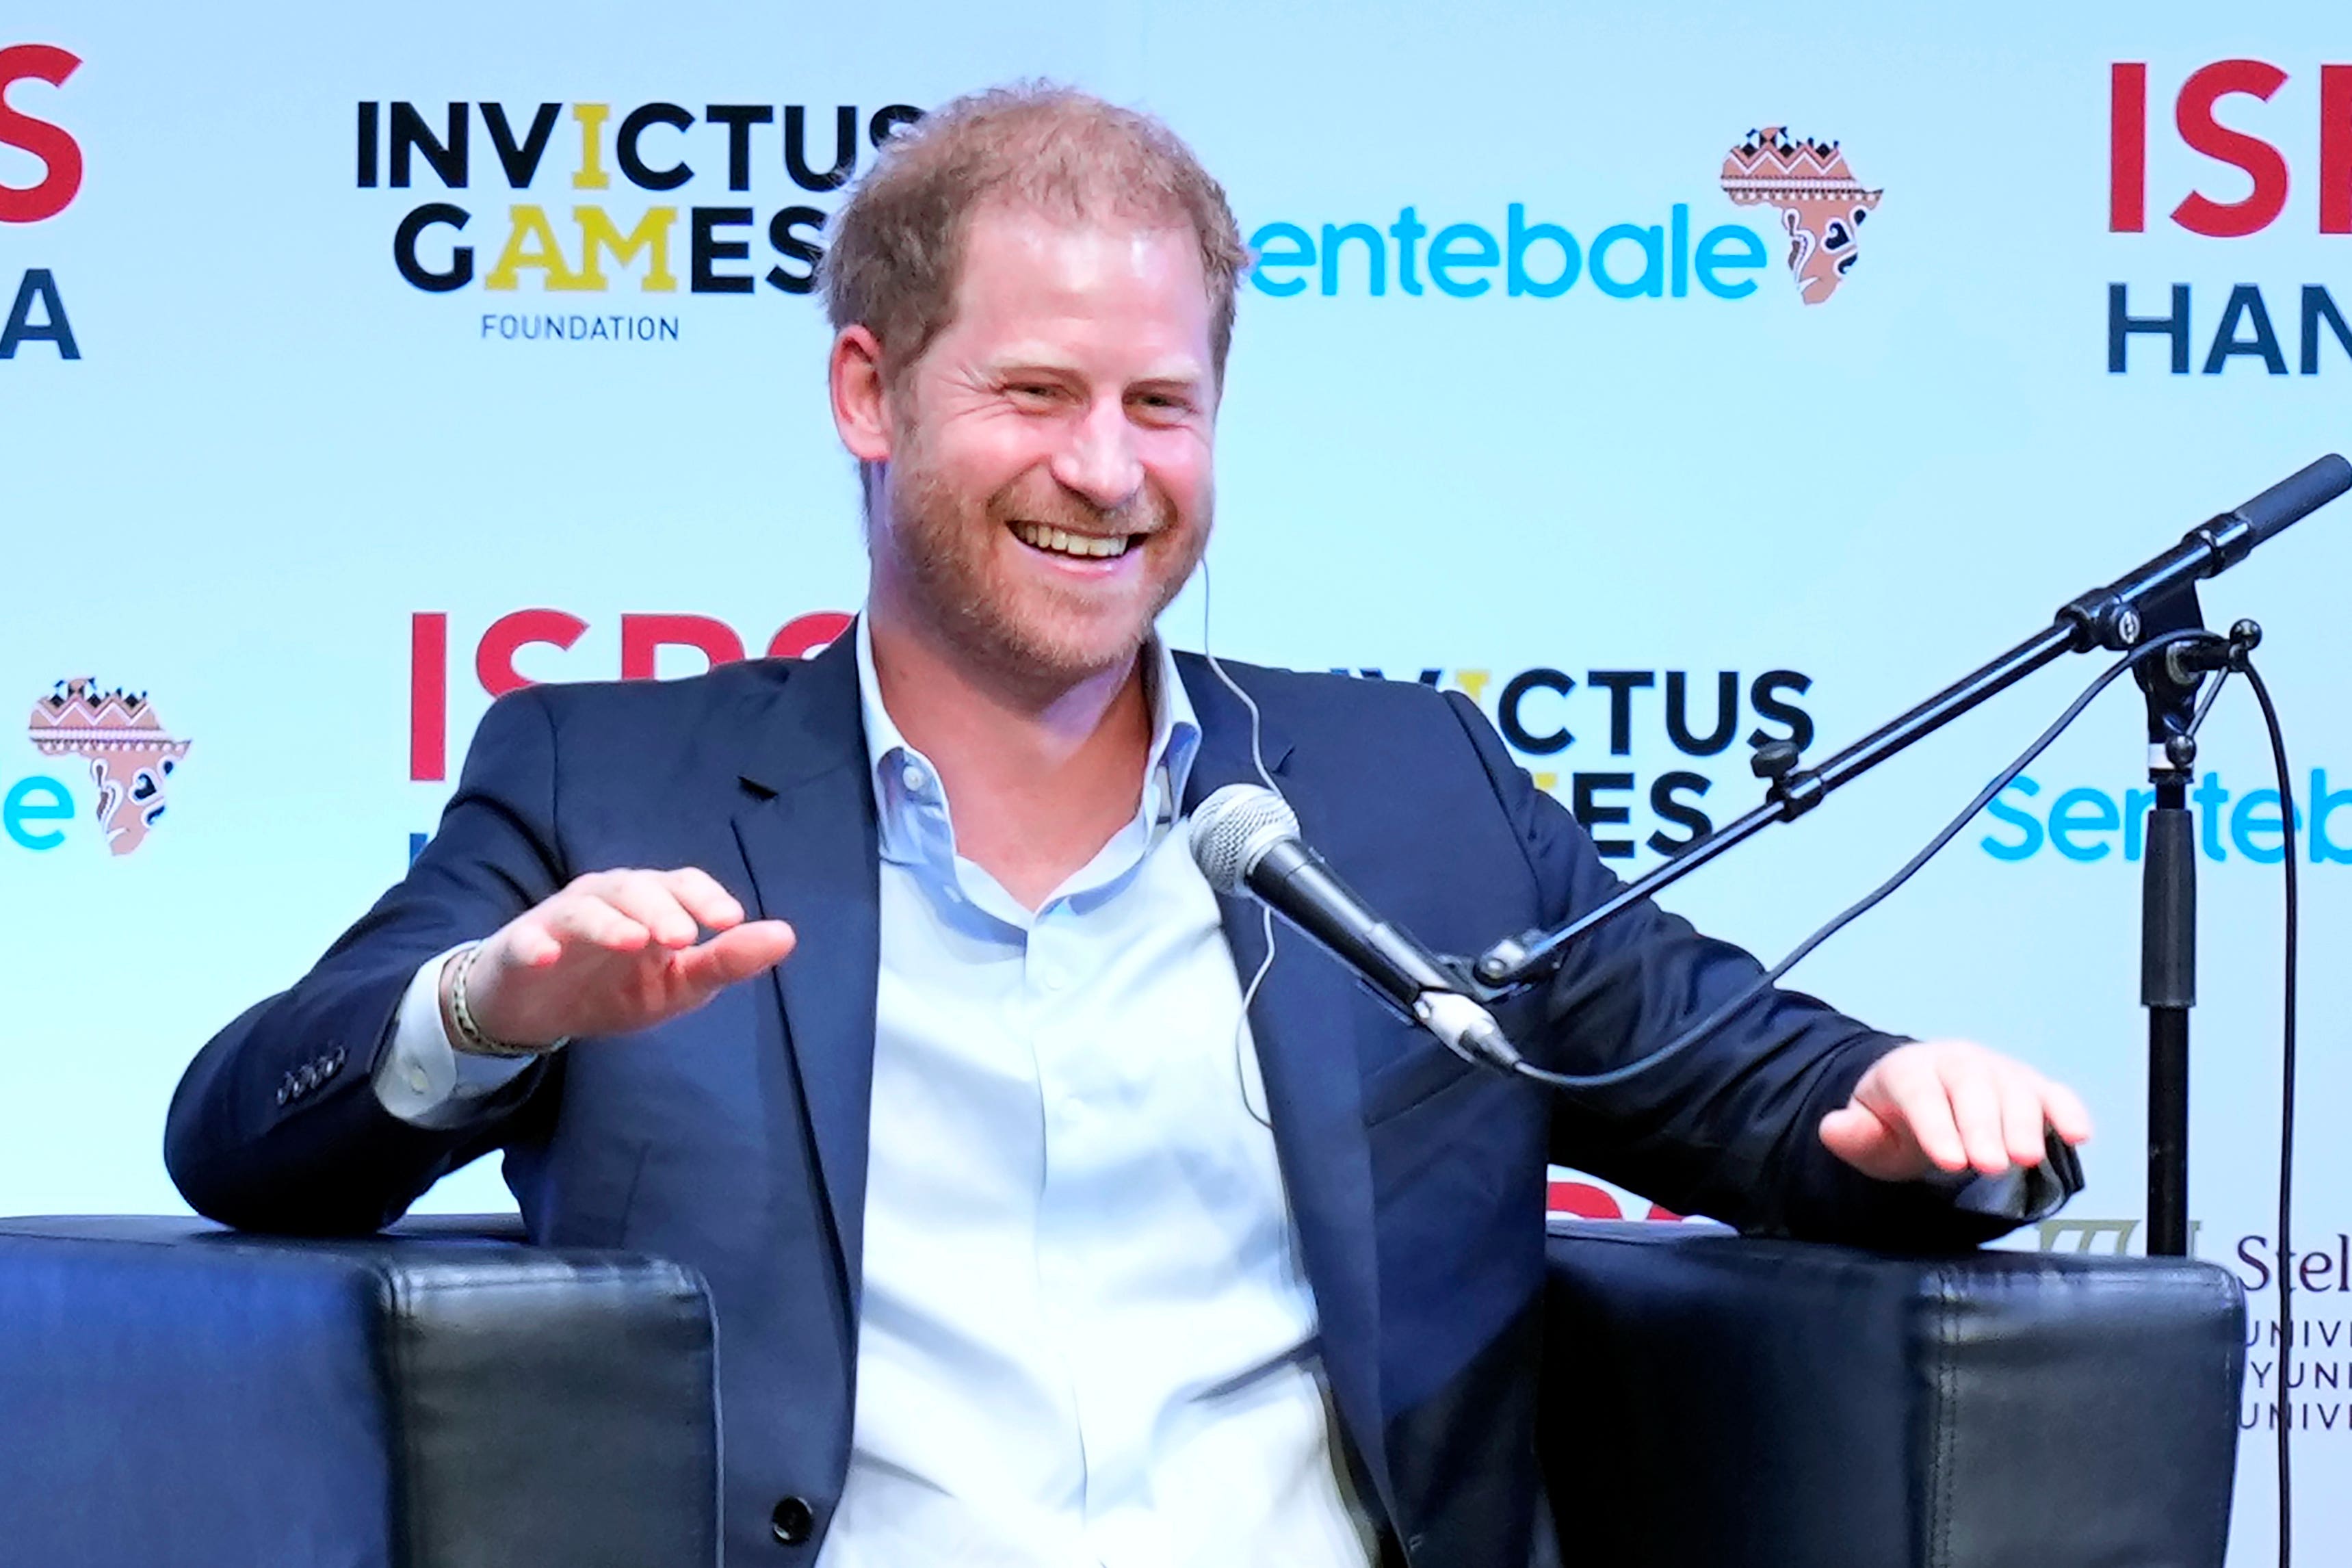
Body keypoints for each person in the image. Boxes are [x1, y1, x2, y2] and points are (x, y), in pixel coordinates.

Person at [167, 85, 2092, 1568]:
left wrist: (1905, 1099)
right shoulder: (611, 781)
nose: (1106, 471)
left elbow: (1735, 1067)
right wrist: (491, 1008)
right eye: (1035, 392)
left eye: (1162, 404)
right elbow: (246, 1134)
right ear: (870, 389)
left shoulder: (1411, 792)